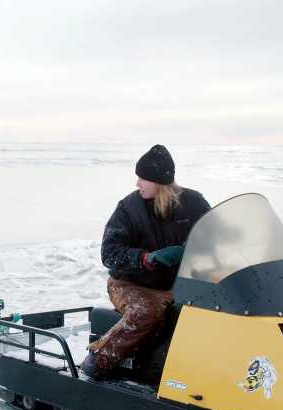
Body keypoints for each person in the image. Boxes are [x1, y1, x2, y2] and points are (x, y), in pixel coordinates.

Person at [80, 144, 210, 380]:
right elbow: (109, 253)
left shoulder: (194, 203)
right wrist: (146, 258)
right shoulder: (130, 208)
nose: (137, 184)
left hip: (176, 285)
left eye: (143, 178)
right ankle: (99, 358)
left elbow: (214, 233)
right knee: (146, 311)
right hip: (129, 284)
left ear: (160, 181)